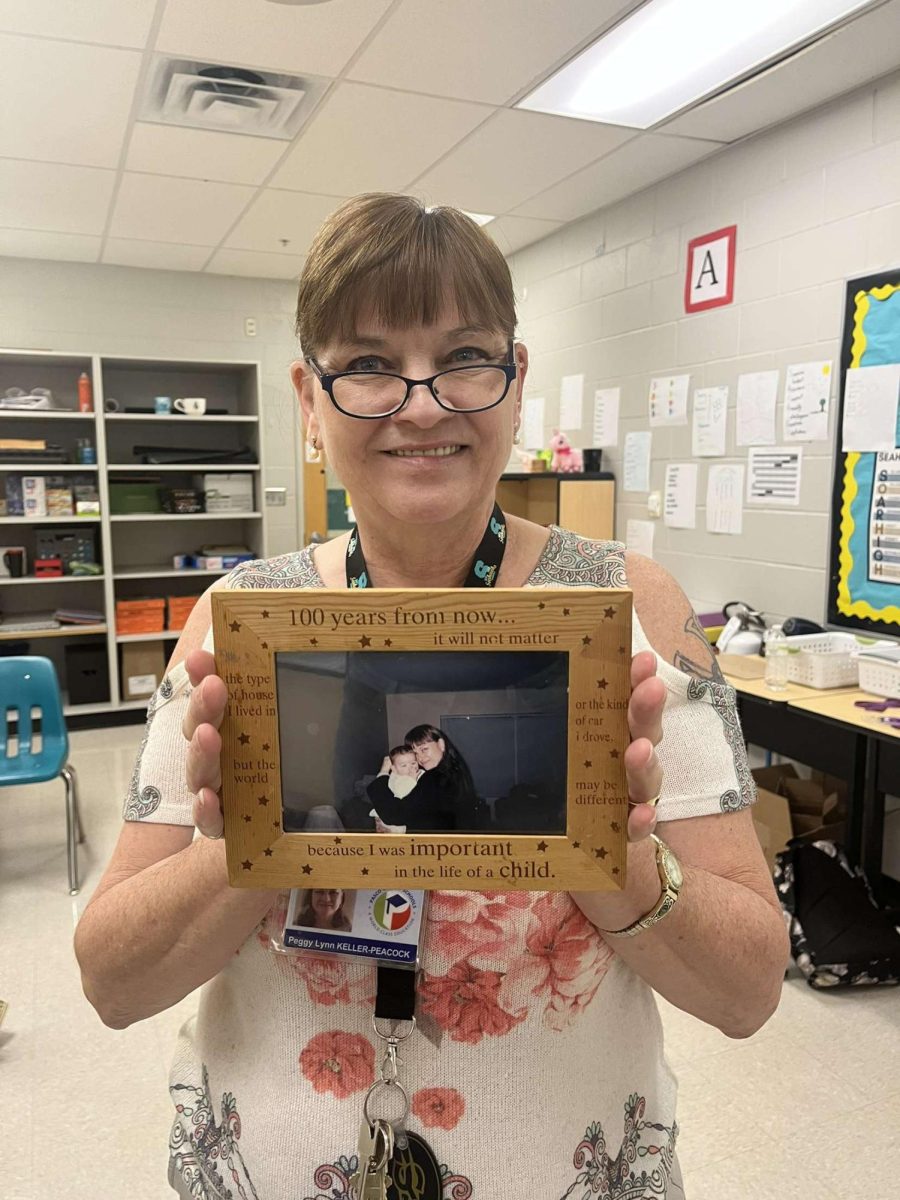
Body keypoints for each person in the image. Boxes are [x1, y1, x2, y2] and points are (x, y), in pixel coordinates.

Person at [74, 193, 789, 1200]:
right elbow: (112, 982)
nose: (421, 401)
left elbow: (751, 990)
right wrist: (246, 852)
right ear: (309, 400)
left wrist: (618, 857)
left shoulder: (630, 610)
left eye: (463, 357)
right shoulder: (235, 626)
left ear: (515, 379)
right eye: (367, 364)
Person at [367, 745, 420, 833]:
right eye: (404, 765)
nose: (410, 767)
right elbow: (381, 788)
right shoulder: (393, 777)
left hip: (400, 823)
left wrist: (412, 779)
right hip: (385, 817)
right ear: (394, 768)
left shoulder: (419, 775)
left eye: (413, 763)